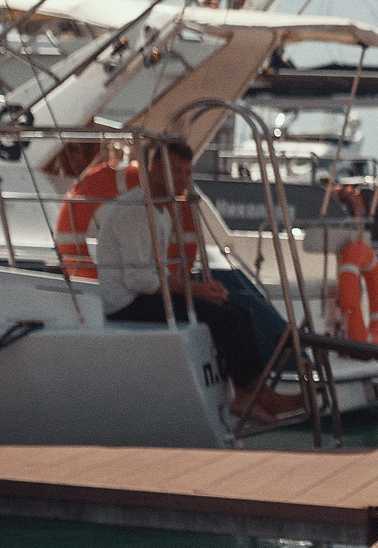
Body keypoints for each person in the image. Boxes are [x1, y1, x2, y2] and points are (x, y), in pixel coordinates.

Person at [96, 137, 290, 422]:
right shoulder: (137, 210)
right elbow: (138, 279)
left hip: (145, 294)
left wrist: (198, 289)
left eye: (187, 172)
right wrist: (195, 290)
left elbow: (155, 274)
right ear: (153, 169)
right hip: (127, 302)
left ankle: (251, 392)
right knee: (228, 319)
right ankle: (254, 396)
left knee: (238, 311)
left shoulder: (160, 209)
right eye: (175, 171)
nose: (182, 179)